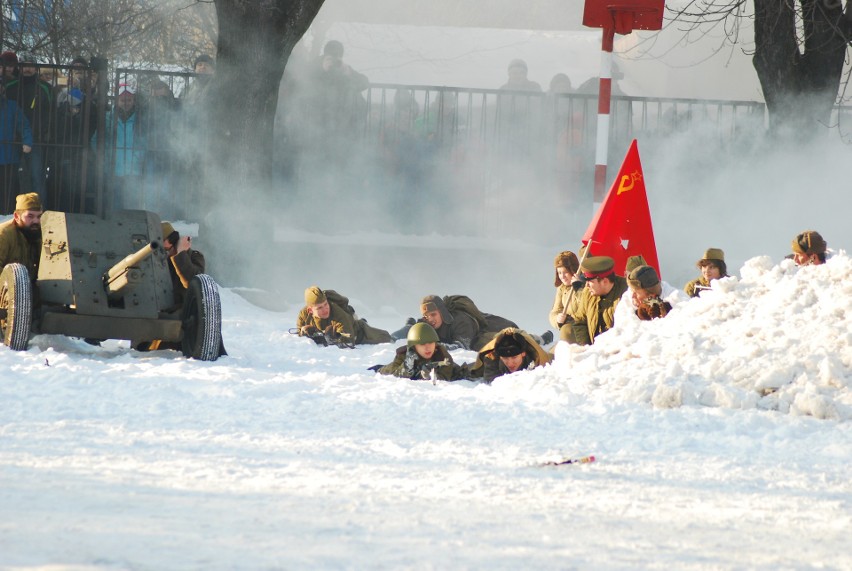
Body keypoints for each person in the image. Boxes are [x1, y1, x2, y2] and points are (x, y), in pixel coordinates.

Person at [4, 53, 52, 199]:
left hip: (36, 139)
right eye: (25, 65)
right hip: (11, 140)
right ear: (20, 67)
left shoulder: (45, 88)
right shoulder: (10, 86)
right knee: (10, 179)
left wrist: (45, 133)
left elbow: (51, 113)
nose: (28, 69)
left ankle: (41, 215)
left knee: (37, 178)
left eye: (31, 65)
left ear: (36, 68)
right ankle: (11, 214)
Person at [91, 83, 146, 211]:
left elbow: (145, 142)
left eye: (129, 100)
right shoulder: (108, 118)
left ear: (133, 100)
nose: (126, 103)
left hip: (134, 170)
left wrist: (138, 157)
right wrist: (104, 159)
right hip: (113, 170)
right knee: (114, 205)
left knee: (132, 206)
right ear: (117, 100)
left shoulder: (140, 119)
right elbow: (96, 141)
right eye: (122, 100)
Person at [418, 294, 523, 351]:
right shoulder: (429, 325)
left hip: (497, 328)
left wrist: (436, 347)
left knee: (515, 339)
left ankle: (536, 338)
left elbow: (462, 346)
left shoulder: (461, 321)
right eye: (426, 316)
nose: (430, 319)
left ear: (442, 312)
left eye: (433, 314)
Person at [297, 286, 392, 346]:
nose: (325, 309)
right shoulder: (303, 315)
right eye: (320, 308)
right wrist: (305, 333)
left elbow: (349, 341)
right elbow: (298, 334)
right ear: (310, 310)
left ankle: (407, 327)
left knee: (389, 338)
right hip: (347, 325)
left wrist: (334, 338)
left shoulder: (337, 313)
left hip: (360, 333)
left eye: (326, 304)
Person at [374, 322, 466, 381]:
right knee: (381, 369)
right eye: (422, 344)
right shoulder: (404, 355)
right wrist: (407, 367)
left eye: (431, 343)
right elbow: (394, 374)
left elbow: (445, 376)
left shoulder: (441, 354)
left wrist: (429, 377)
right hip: (392, 367)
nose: (428, 348)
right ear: (414, 346)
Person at [570, 255, 629, 345]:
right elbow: (580, 321)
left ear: (604, 281)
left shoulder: (627, 293)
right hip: (595, 350)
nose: (586, 285)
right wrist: (585, 347)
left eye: (590, 281)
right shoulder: (588, 293)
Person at [469, 327, 552, 384]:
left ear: (523, 354)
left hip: (524, 338)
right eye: (505, 358)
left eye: (514, 357)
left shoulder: (534, 356)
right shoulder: (491, 358)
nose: (510, 363)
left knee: (530, 339)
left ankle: (542, 338)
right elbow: (493, 382)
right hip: (500, 336)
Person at [0, 81, 34, 211]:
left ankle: (7, 216)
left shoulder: (11, 106)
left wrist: (27, 141)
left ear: (2, 88)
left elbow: (24, 125)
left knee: (8, 191)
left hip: (8, 156)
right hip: (7, 153)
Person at [615, 265, 687, 324]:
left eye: (636, 293)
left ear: (651, 296)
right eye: (632, 291)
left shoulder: (677, 296)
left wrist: (667, 310)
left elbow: (689, 313)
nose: (632, 296)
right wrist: (639, 315)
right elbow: (620, 329)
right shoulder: (627, 299)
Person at [0, 192, 43, 280]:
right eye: (30, 216)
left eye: (39, 216)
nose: (36, 221)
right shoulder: (4, 234)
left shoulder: (41, 233)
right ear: (17, 216)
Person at [549, 250, 584, 342]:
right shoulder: (562, 288)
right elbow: (555, 311)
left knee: (566, 330)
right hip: (568, 332)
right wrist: (557, 319)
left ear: (573, 270)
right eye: (559, 273)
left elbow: (586, 306)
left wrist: (578, 288)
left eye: (565, 272)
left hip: (582, 330)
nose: (562, 276)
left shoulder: (585, 284)